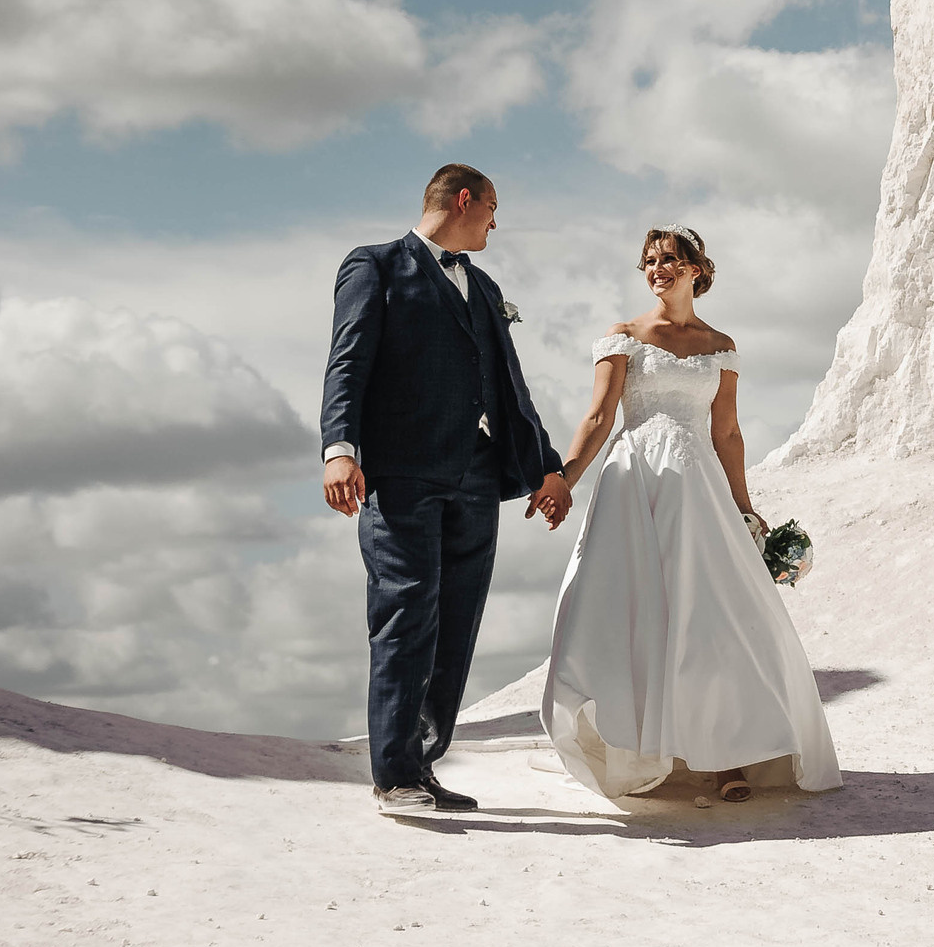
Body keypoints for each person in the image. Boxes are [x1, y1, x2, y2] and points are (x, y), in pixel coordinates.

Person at [540, 227, 841, 803]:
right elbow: (601, 417)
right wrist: (565, 479)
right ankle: (644, 749)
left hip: (701, 491)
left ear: (698, 270)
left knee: (714, 619)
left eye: (671, 261)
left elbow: (726, 431)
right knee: (638, 615)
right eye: (650, 261)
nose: (659, 270)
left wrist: (747, 509)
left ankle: (725, 761)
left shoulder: (719, 345)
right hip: (636, 487)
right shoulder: (624, 336)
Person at [320, 164, 573, 814]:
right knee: (406, 616)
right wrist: (340, 449)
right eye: (493, 208)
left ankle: (422, 764)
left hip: (477, 479)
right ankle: (395, 775)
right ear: (465, 200)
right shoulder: (374, 266)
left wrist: (544, 467)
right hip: (401, 474)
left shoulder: (483, 287)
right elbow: (348, 359)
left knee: (454, 628)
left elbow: (508, 386)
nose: (497, 221)